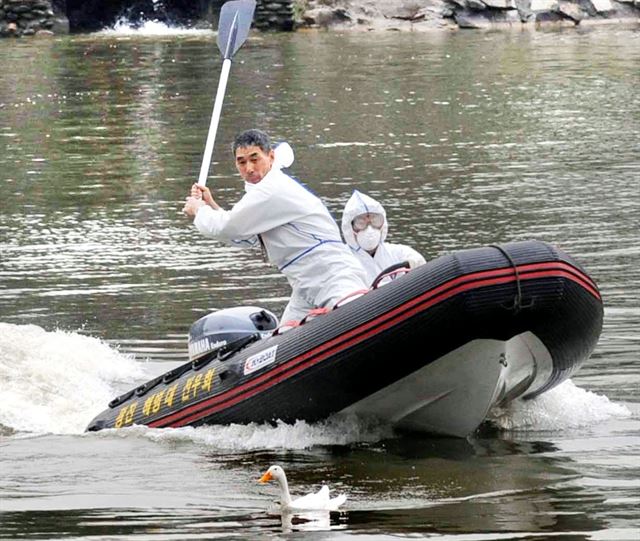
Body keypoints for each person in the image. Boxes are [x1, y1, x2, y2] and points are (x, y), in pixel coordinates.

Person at [183, 129, 368, 324]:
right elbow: (246, 237)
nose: (249, 168)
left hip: (331, 274)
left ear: (270, 156)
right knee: (284, 341)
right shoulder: (263, 192)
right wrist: (211, 205)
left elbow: (228, 227)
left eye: (255, 159)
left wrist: (199, 211)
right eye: (242, 162)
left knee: (356, 322)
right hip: (303, 283)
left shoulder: (272, 189)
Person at [341, 190, 426, 285]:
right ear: (350, 227)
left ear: (383, 224)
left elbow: (420, 264)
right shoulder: (342, 259)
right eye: (361, 223)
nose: (369, 229)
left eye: (375, 221)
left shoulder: (399, 253)